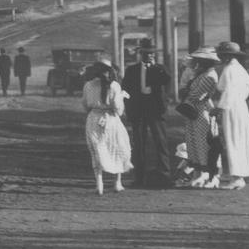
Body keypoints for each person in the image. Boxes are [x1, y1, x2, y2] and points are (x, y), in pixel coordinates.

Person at [122, 37, 172, 188]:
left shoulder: (160, 69)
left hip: (156, 110)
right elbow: (126, 90)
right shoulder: (132, 70)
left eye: (152, 53)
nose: (150, 55)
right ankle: (139, 178)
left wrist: (164, 105)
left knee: (161, 142)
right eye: (146, 53)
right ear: (140, 54)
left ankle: (164, 175)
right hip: (138, 109)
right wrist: (129, 108)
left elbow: (167, 84)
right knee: (139, 144)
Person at [81, 59, 132, 195]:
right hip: (111, 119)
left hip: (94, 118)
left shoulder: (88, 85)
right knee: (118, 147)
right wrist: (121, 99)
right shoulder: (114, 86)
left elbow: (85, 105)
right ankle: (117, 182)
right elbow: (118, 109)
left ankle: (99, 184)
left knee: (96, 150)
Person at [214, 41, 249, 190]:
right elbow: (248, 86)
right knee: (239, 139)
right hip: (240, 106)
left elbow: (228, 91)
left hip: (232, 107)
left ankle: (237, 177)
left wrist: (219, 108)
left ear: (227, 56)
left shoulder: (230, 69)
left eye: (223, 55)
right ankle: (239, 176)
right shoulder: (239, 69)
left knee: (234, 139)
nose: (221, 57)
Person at [182, 47, 222, 188]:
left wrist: (188, 92)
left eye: (200, 60)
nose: (197, 62)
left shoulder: (210, 75)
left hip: (203, 111)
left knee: (205, 144)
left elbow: (196, 95)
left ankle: (212, 175)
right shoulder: (202, 74)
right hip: (195, 111)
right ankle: (199, 174)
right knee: (195, 143)